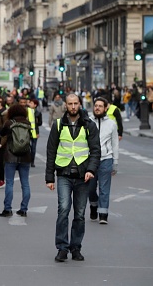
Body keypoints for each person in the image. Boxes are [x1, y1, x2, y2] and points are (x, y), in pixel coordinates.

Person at [46, 94, 100, 262]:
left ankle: (75, 247)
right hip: (64, 174)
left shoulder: (89, 125)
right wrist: (49, 178)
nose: (73, 106)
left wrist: (91, 170)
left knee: (80, 214)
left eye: (76, 103)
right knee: (63, 210)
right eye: (70, 104)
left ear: (80, 104)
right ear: (66, 106)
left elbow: (95, 151)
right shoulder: (58, 125)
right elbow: (51, 151)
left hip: (83, 176)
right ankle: (62, 248)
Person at [88, 97, 119, 224]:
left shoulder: (111, 123)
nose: (97, 108)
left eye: (100, 106)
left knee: (104, 189)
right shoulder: (87, 122)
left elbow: (115, 143)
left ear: (105, 108)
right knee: (90, 188)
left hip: (106, 159)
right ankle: (94, 205)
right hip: (90, 160)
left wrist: (115, 162)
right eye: (96, 105)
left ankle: (103, 214)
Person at [0, 104, 32, 217]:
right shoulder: (28, 123)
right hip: (25, 157)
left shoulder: (9, 123)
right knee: (25, 183)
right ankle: (24, 209)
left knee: (10, 183)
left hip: (10, 156)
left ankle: (7, 209)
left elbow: (1, 133)